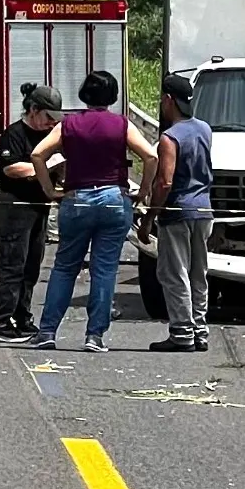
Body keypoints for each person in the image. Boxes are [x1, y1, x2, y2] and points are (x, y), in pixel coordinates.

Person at [26, 70, 156, 352]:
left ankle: (47, 331)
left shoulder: (69, 124)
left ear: (85, 94)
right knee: (105, 269)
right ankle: (94, 336)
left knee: (64, 267)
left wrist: (50, 190)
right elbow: (150, 155)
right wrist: (144, 191)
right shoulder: (121, 124)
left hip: (78, 198)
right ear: (113, 96)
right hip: (113, 198)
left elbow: (38, 154)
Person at [140, 74, 215, 352]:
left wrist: (150, 217)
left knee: (174, 273)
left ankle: (182, 333)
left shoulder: (169, 138)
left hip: (178, 212)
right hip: (204, 209)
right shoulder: (205, 129)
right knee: (198, 272)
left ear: (168, 100)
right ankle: (200, 329)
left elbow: (165, 182)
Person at [0, 83, 63, 343]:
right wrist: (45, 163)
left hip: (39, 204)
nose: (51, 123)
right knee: (13, 264)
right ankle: (3, 320)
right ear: (33, 110)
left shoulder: (51, 135)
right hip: (15, 204)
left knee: (32, 265)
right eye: (47, 117)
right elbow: (11, 168)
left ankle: (23, 315)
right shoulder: (14, 133)